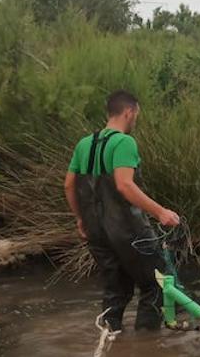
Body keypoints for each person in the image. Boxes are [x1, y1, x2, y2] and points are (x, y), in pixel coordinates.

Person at [63, 90, 181, 331]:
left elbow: (68, 185)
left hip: (96, 231)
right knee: (157, 284)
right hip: (128, 231)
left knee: (115, 289)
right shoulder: (124, 142)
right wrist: (160, 212)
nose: (136, 119)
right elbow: (124, 185)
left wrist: (80, 218)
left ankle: (110, 340)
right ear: (129, 112)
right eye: (136, 114)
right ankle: (147, 346)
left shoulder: (84, 144)